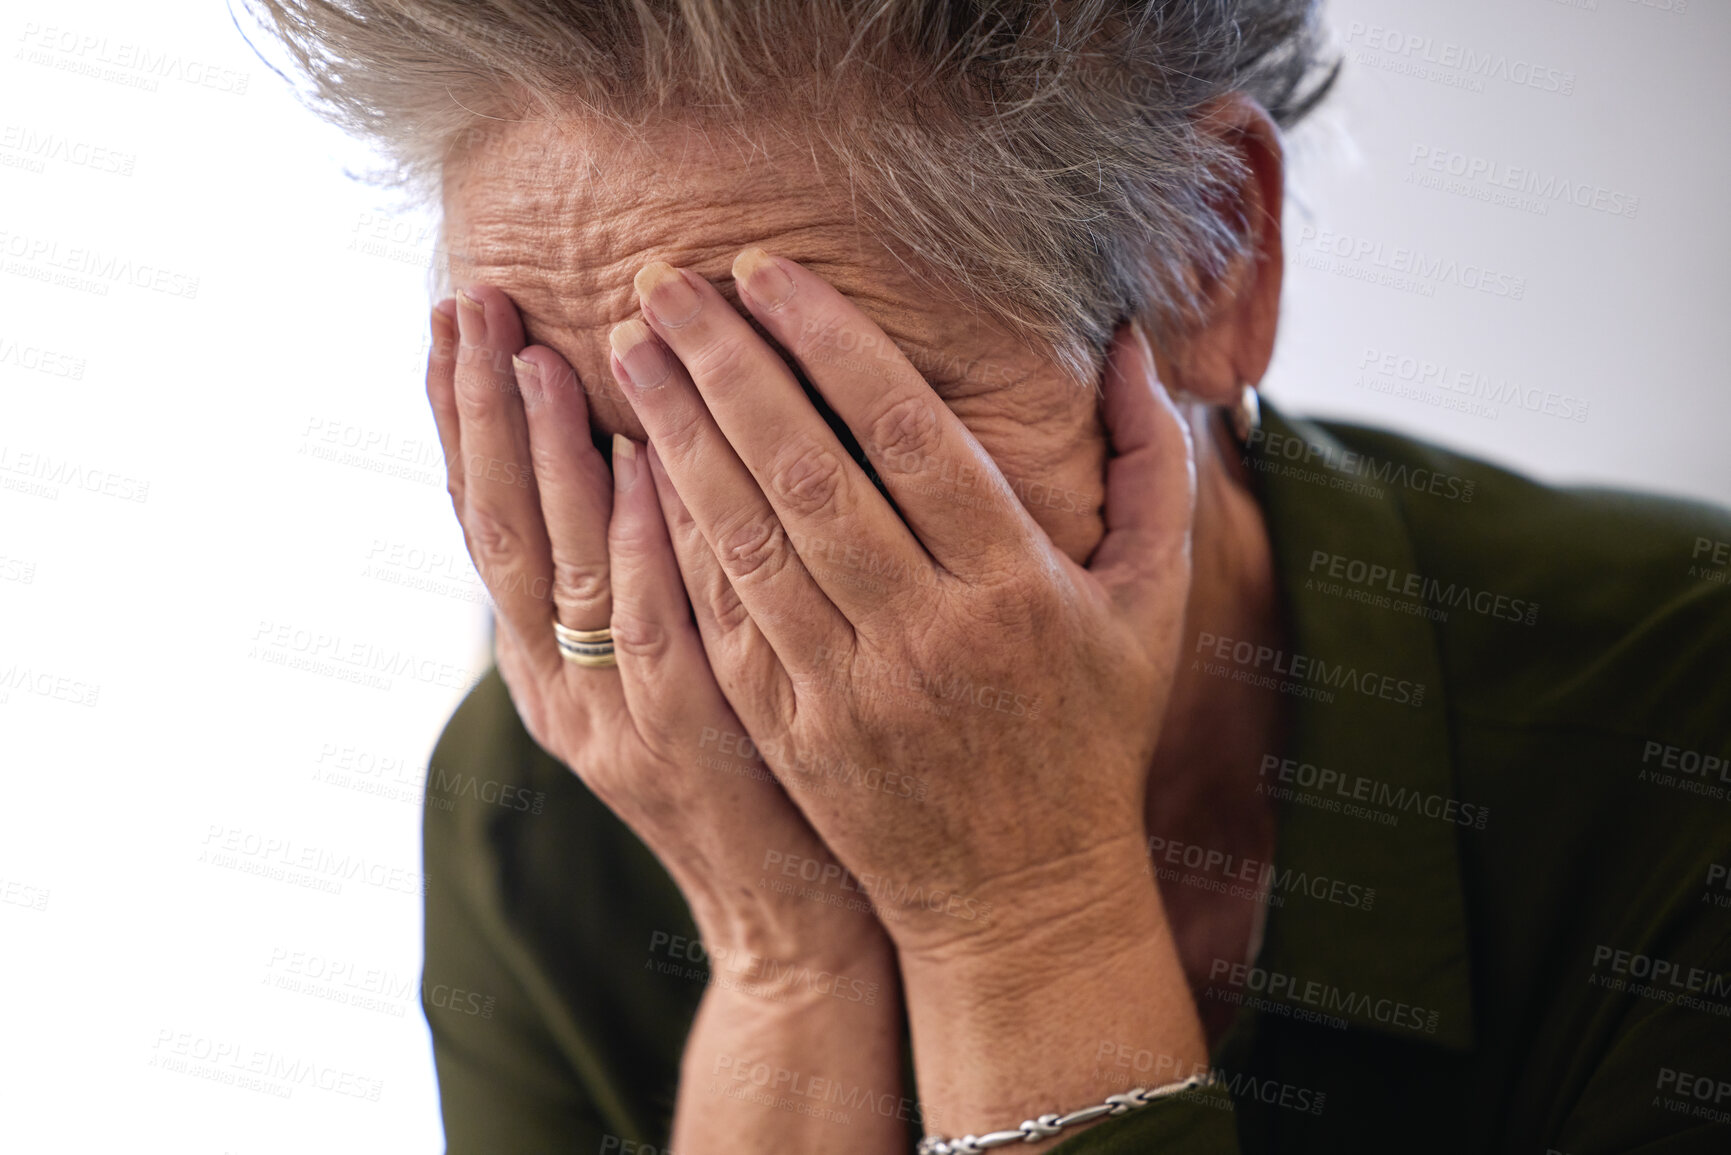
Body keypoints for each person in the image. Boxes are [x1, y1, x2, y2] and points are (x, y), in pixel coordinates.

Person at [245, 1, 1731, 1151]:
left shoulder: (1689, 723)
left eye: (811, 437)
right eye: (585, 443)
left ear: (1211, 255)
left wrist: (1024, 918)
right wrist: (782, 959)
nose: (714, 596)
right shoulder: (547, 795)